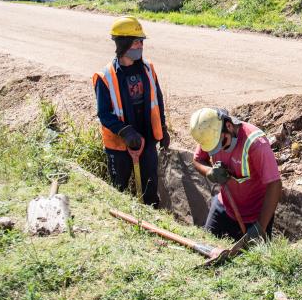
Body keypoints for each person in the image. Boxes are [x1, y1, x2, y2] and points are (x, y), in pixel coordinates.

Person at [93, 16, 170, 208]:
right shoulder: (105, 77)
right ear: (123, 43)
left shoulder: (147, 69)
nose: (140, 45)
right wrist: (126, 131)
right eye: (136, 41)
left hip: (147, 139)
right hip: (119, 145)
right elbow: (104, 114)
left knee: (150, 188)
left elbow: (157, 100)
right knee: (118, 190)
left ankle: (152, 221)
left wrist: (162, 127)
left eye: (141, 41)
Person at [190, 107, 282, 242]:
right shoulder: (210, 134)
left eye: (222, 143)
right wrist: (209, 172)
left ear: (229, 126)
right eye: (214, 148)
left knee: (255, 261)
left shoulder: (256, 144)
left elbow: (275, 184)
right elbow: (198, 159)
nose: (219, 150)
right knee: (206, 246)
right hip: (224, 207)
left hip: (256, 216)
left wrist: (260, 228)